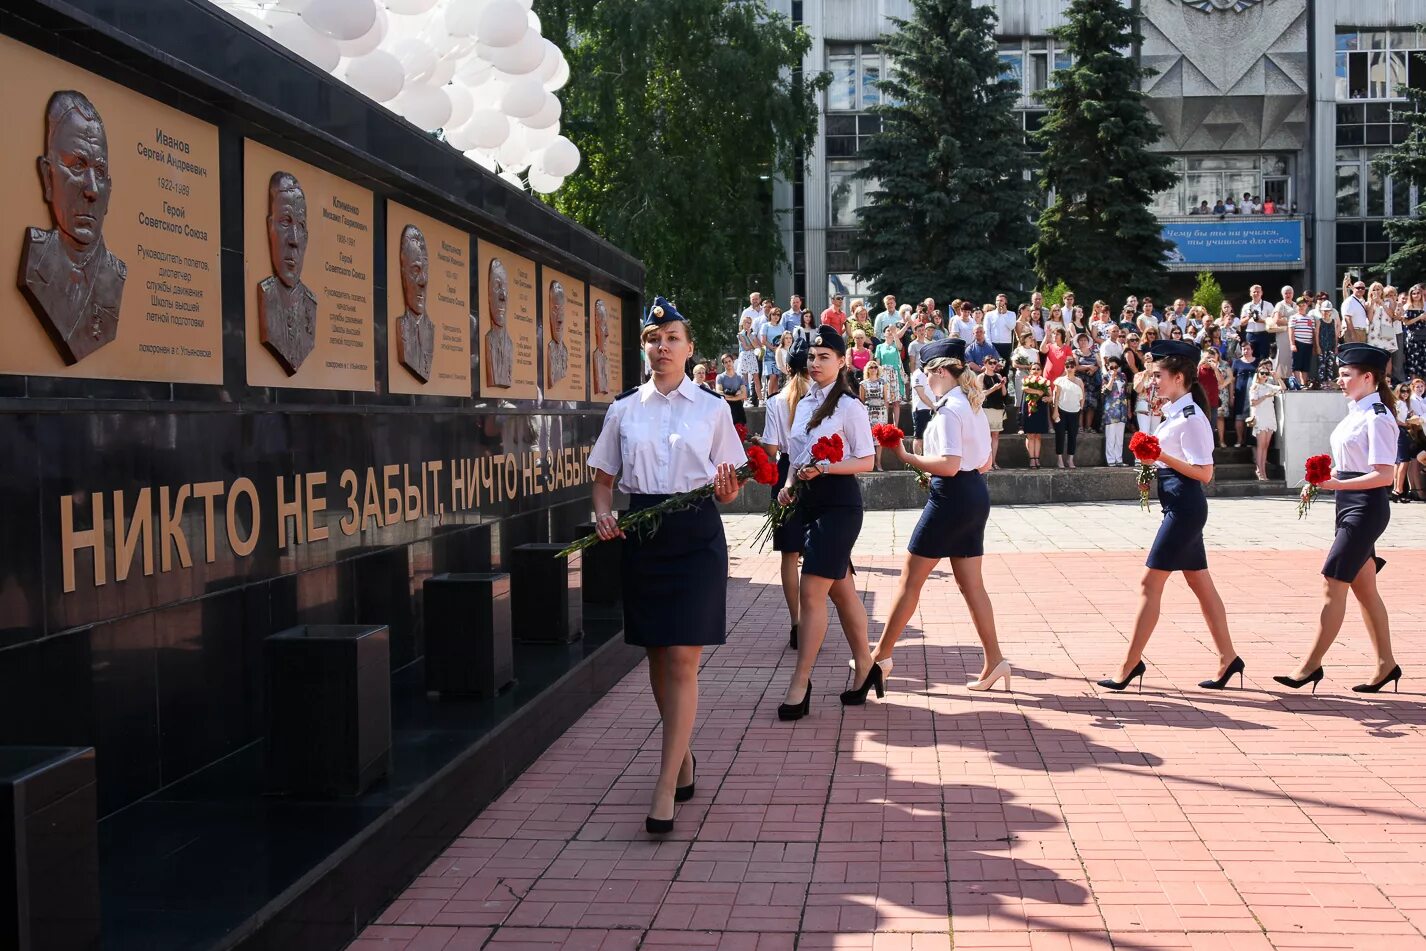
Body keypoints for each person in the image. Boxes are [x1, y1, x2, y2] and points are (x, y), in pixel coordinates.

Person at [587, 297, 745, 834]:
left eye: (672, 338)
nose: (662, 347)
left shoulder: (713, 409)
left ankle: (663, 783)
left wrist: (726, 491)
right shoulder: (624, 410)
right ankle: (685, 757)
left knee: (682, 658)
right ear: (644, 347)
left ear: (689, 347)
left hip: (696, 532)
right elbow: (604, 479)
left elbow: (728, 485)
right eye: (654, 339)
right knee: (657, 656)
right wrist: (603, 516)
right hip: (644, 533)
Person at [856, 337, 1008, 695]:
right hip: (974, 494)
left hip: (951, 497)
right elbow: (983, 462)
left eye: (925, 373)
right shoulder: (970, 404)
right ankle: (994, 659)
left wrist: (907, 457)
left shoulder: (949, 409)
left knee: (910, 580)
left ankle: (879, 656)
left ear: (940, 371)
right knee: (972, 586)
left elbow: (949, 466)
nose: (922, 381)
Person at [1099, 340, 1243, 692]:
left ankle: (1129, 665)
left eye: (1159, 375)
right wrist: (1154, 462)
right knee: (1201, 584)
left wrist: (1161, 455)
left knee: (1150, 583)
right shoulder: (1176, 412)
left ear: (1179, 378)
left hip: (1185, 507)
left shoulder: (1192, 418)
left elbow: (1205, 473)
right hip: (1177, 503)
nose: (1154, 381)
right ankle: (1228, 658)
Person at [1275, 344, 1402, 695]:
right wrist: (1322, 483)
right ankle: (1386, 665)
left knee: (1333, 583)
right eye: (1341, 373)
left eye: (1347, 374)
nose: (1341, 379)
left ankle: (1310, 665)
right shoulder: (1356, 411)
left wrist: (1334, 483)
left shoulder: (1378, 415)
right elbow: (1350, 462)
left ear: (1368, 377)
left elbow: (1384, 475)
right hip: (1348, 503)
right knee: (1364, 589)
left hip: (1366, 507)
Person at [777, 326, 876, 721]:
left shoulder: (850, 406)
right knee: (842, 593)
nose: (814, 363)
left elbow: (866, 461)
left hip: (838, 505)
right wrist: (787, 485)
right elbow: (793, 455)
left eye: (823, 357)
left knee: (811, 592)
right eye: (812, 357)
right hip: (806, 501)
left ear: (841, 361)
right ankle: (867, 666)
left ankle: (800, 683)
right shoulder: (802, 403)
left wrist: (827, 466)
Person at [22, 90, 127, 366]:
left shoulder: (114, 276)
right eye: (78, 166)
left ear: (110, 192)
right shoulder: (34, 263)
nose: (92, 189)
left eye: (100, 173)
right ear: (48, 176)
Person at [760, 340, 811, 649]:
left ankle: (797, 622)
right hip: (816, 472)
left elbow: (770, 447)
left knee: (789, 555)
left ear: (788, 368)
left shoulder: (777, 400)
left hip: (785, 472)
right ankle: (816, 618)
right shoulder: (821, 399)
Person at [1248, 362, 1282, 480]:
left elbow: (1283, 388)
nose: (1264, 375)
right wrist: (1265, 397)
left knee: (1266, 445)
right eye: (1262, 373)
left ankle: (1263, 471)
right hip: (1260, 417)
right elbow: (1253, 402)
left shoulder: (1269, 386)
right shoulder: (1255, 387)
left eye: (1266, 373)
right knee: (1260, 445)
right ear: (1257, 374)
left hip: (1269, 416)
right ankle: (1259, 470)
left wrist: (1277, 377)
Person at [1051, 363, 1084, 468]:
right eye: (1067, 367)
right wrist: (1055, 411)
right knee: (1060, 434)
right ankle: (1059, 459)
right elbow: (1055, 397)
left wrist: (1081, 408)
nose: (1070, 369)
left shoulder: (1079, 381)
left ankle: (1070, 459)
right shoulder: (1059, 380)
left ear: (1075, 368)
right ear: (1065, 368)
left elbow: (1083, 396)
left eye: (1072, 366)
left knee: (1072, 435)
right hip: (1061, 410)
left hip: (1075, 411)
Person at [860, 361, 889, 470]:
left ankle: (878, 462)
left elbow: (886, 400)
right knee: (868, 438)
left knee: (879, 439)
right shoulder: (863, 384)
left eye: (875, 367)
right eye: (871, 367)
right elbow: (862, 401)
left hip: (880, 410)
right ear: (867, 369)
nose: (873, 369)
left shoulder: (883, 382)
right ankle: (870, 462)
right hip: (868, 411)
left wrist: (886, 415)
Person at [979, 355, 1007, 468]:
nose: (992, 365)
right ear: (985, 364)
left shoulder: (998, 375)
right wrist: (993, 388)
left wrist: (1003, 385)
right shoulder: (980, 377)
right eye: (990, 363)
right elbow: (981, 394)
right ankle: (985, 462)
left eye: (994, 363)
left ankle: (993, 461)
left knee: (995, 435)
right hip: (986, 408)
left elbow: (1004, 394)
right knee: (985, 436)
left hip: (998, 408)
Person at [1101, 357, 1130, 466]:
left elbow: (1127, 392)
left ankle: (1119, 459)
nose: (1114, 369)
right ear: (1108, 367)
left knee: (1119, 437)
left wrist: (1129, 409)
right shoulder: (1105, 377)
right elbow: (1105, 391)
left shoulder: (1123, 376)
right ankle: (1110, 460)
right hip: (1111, 410)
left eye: (1116, 367)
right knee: (1111, 436)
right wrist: (1112, 378)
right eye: (1111, 367)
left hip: (1122, 408)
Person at [1288, 293, 1316, 390]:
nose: (1301, 307)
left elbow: (1313, 331)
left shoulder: (1310, 318)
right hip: (1298, 342)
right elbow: (1291, 331)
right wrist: (1292, 344)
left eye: (1303, 305)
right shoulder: (1294, 317)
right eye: (1299, 305)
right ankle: (1297, 383)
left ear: (1306, 306)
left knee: (1305, 365)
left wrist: (1314, 345)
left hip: (1308, 344)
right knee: (1296, 365)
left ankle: (1304, 384)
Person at [1241, 284, 1272, 364]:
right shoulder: (1246, 306)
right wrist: (1248, 317)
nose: (1256, 293)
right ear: (1250, 293)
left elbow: (1272, 321)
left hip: (1263, 334)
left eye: (1258, 292)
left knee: (1264, 357)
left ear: (1261, 293)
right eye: (1254, 292)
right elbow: (1241, 323)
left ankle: (1263, 374)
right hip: (1251, 334)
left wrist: (1261, 320)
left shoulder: (1268, 305)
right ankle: (1252, 374)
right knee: (1250, 356)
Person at [910, 356, 935, 454]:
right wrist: (934, 406)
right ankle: (917, 464)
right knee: (919, 437)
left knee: (930, 436)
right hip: (921, 409)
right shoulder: (917, 374)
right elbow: (921, 395)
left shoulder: (931, 374)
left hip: (931, 408)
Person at [716, 353, 748, 426]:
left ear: (733, 361)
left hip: (738, 407)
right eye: (726, 362)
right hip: (725, 407)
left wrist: (727, 396)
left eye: (729, 361)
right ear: (723, 364)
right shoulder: (720, 377)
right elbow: (719, 392)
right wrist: (734, 395)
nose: (728, 364)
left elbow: (744, 394)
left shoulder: (740, 377)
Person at [736, 315, 760, 403]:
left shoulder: (752, 334)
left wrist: (750, 337)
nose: (748, 324)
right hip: (744, 357)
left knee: (756, 378)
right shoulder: (740, 334)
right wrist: (753, 345)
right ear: (743, 323)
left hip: (752, 356)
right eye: (746, 322)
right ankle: (745, 400)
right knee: (745, 379)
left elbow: (758, 347)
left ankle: (760, 399)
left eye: (750, 323)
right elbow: (745, 347)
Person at [1404, 284, 1426, 381]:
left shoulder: (1423, 305)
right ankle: (1413, 386)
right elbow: (1406, 322)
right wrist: (1419, 317)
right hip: (1413, 337)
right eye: (1414, 293)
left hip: (1423, 336)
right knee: (1413, 363)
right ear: (1411, 295)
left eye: (1418, 293)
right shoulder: (1408, 306)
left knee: (1423, 363)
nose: (1416, 295)